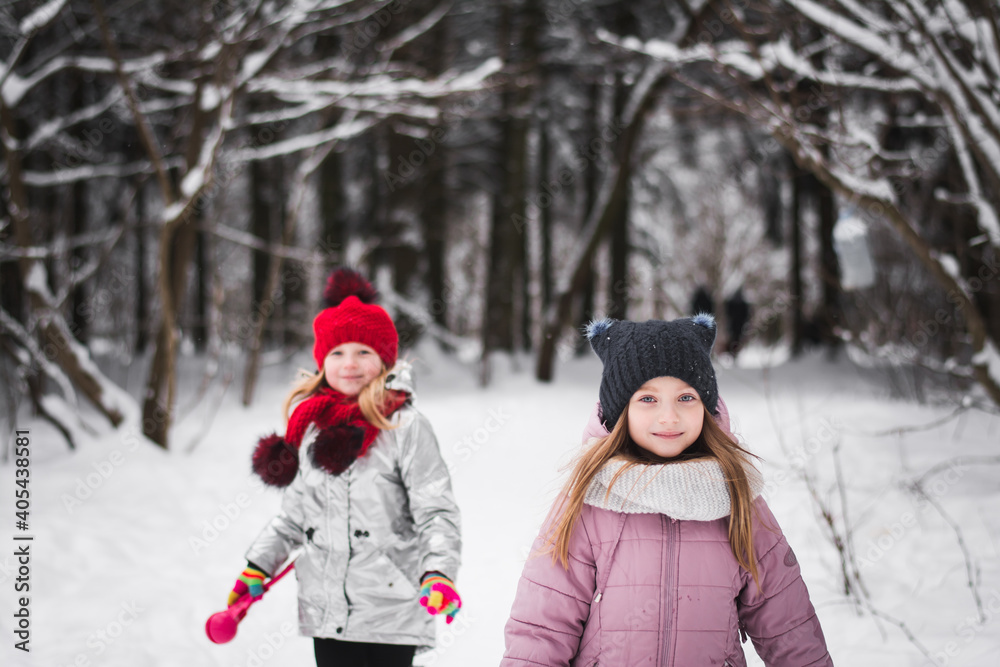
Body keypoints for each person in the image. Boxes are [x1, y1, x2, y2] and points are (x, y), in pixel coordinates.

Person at [501, 314, 833, 666]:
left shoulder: (735, 495)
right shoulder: (590, 497)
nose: (669, 417)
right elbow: (542, 627)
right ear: (619, 409)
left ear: (706, 406)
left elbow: (788, 622)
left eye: (686, 398)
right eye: (648, 399)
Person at [227, 268, 462, 667]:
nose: (349, 363)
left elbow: (436, 511)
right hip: (327, 610)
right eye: (337, 352)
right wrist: (257, 567)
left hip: (392, 605)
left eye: (363, 352)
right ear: (321, 362)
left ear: (384, 359)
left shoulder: (403, 426)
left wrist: (438, 572)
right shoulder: (311, 427)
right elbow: (295, 517)